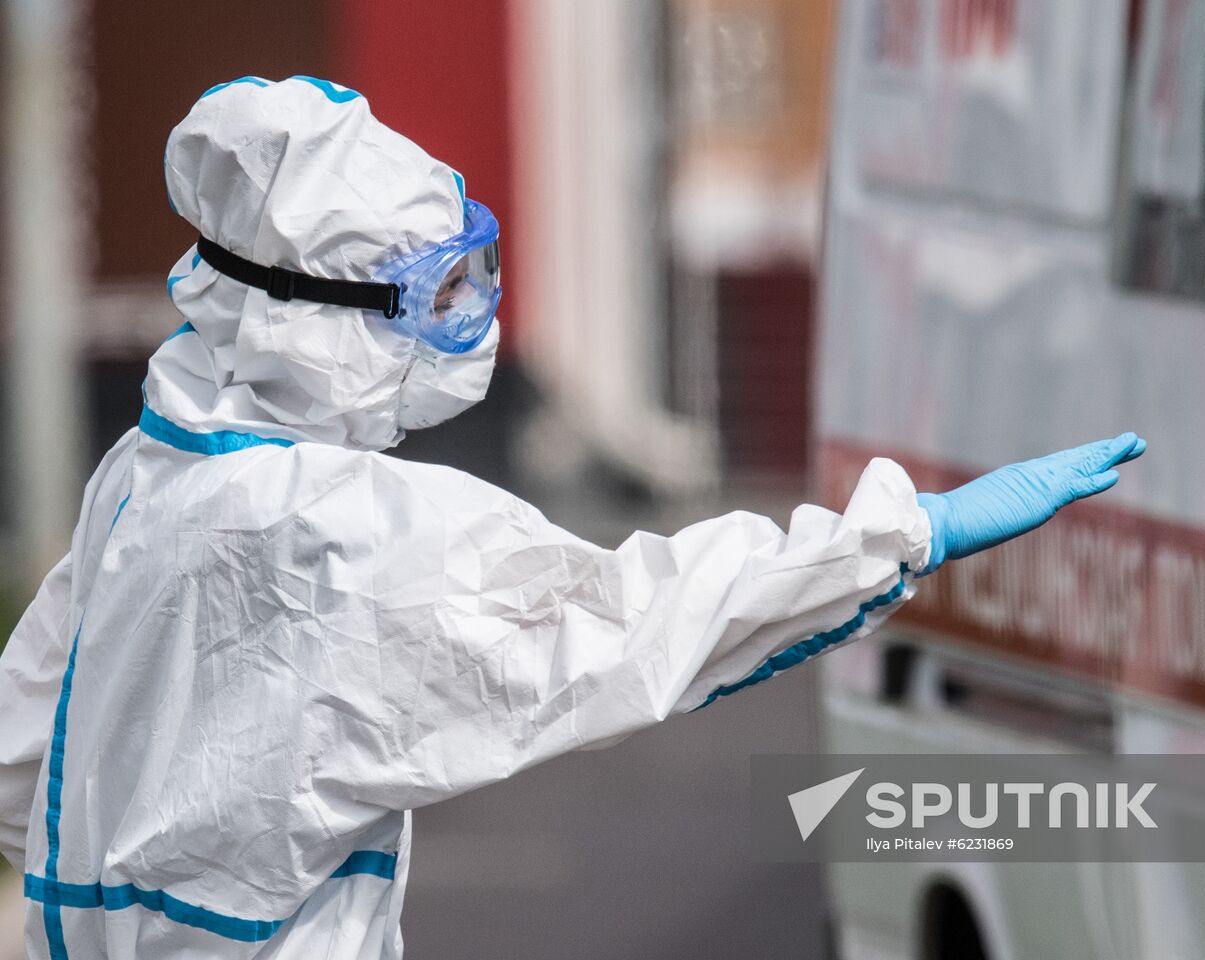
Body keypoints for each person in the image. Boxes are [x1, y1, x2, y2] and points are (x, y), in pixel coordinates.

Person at [0, 76, 1144, 959]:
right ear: (313, 316)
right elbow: (636, 619)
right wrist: (901, 537)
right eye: (436, 294)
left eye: (471, 275)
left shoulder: (149, 473)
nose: (472, 321)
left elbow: (23, 754)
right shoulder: (337, 533)